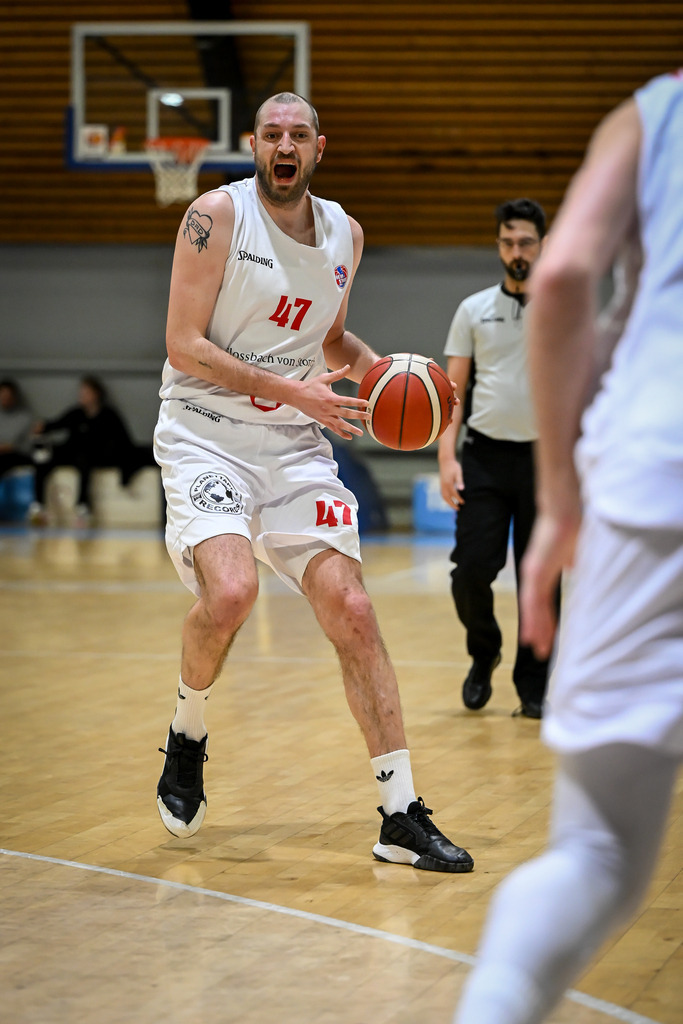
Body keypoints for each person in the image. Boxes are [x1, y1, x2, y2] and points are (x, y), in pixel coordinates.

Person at [152, 91, 473, 873]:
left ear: (318, 148)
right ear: (253, 145)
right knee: (231, 594)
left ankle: (399, 815)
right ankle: (187, 730)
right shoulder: (213, 217)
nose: (284, 145)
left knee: (352, 609)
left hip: (292, 447)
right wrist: (294, 392)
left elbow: (325, 337)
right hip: (205, 433)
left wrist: (393, 377)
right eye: (271, 134)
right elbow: (183, 343)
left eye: (297, 134)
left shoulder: (343, 233)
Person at [453, 69, 683, 1024]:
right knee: (473, 577)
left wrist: (560, 500)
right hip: (528, 458)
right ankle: (488, 667)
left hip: (652, 473)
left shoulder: (658, 109)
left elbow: (565, 278)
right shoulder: (472, 308)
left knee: (598, 855)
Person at [438, 198, 557, 719]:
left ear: (543, 245)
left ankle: (534, 686)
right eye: (508, 243)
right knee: (469, 572)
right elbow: (452, 396)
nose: (517, 252)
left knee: (541, 580)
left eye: (526, 242)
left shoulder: (563, 307)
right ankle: (483, 652)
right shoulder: (473, 309)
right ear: (499, 247)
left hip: (545, 463)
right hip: (484, 458)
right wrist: (447, 459)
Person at [28, 375, 150, 527]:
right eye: (81, 392)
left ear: (96, 394)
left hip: (95, 455)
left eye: (86, 392)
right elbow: (57, 424)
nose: (82, 395)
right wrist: (43, 426)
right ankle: (38, 506)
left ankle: (83, 507)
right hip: (71, 451)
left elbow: (123, 439)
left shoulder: (108, 415)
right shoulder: (76, 413)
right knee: (43, 458)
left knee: (84, 462)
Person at [0, 378, 33, 479]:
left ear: (14, 397)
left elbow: (28, 446)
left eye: (8, 396)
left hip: (16, 455)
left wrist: (11, 447)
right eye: (2, 395)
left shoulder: (25, 418)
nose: (5, 398)